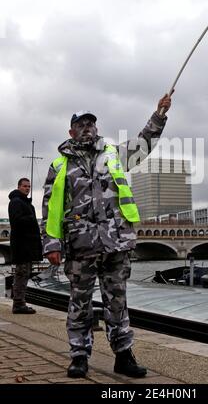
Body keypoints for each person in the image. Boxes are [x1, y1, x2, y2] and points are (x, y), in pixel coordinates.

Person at [42, 93, 172, 379]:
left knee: (118, 301)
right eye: (81, 123)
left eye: (91, 122)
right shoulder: (59, 165)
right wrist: (51, 243)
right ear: (71, 130)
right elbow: (50, 206)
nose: (87, 126)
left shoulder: (114, 153)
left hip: (116, 243)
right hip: (80, 245)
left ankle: (123, 356)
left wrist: (159, 115)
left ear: (96, 128)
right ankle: (78, 356)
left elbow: (144, 143)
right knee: (79, 302)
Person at [8, 178, 43, 314]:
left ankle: (20, 302)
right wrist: (31, 219)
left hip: (26, 245)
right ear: (19, 187)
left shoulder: (26, 203)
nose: (27, 188)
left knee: (24, 273)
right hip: (22, 245)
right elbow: (16, 221)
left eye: (28, 186)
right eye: (24, 186)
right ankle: (18, 304)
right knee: (21, 273)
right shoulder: (17, 202)